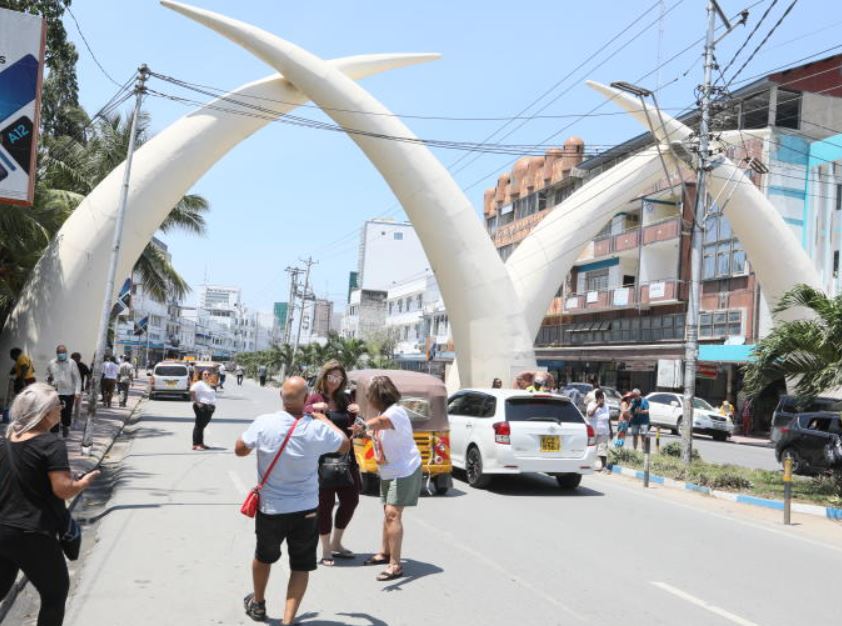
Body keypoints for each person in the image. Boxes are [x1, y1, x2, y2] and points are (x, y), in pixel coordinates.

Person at [236, 376, 349, 625]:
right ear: (307, 398)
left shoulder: (264, 423)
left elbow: (240, 449)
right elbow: (344, 445)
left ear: (280, 396)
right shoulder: (316, 428)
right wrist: (324, 419)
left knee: (263, 557)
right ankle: (288, 621)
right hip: (306, 510)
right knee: (300, 565)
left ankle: (258, 603)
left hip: (271, 509)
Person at [0, 383, 100, 626]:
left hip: (3, 528)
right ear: (45, 412)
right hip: (33, 532)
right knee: (55, 596)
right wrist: (83, 482)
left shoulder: (8, 438)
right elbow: (63, 489)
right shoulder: (50, 444)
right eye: (59, 405)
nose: (61, 409)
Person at [352, 375, 423, 582]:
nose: (368, 399)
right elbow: (380, 433)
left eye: (369, 396)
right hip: (389, 471)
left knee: (393, 514)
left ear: (378, 395)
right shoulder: (384, 413)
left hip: (404, 470)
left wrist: (365, 426)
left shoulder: (396, 412)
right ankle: (384, 553)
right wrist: (364, 434)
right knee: (387, 512)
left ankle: (395, 564)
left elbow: (381, 423)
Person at [304, 360, 361, 567]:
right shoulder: (315, 398)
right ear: (324, 377)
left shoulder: (345, 399)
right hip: (323, 460)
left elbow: (356, 425)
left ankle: (337, 542)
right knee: (325, 505)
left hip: (347, 458)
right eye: (331, 377)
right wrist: (312, 407)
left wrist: (357, 413)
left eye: (338, 377)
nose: (335, 381)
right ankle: (326, 548)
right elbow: (301, 411)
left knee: (351, 500)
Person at [45, 345, 81, 438]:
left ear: (66, 352)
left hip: (69, 392)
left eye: (63, 352)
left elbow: (77, 378)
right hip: (55, 392)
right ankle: (54, 432)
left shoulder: (72, 363)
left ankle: (66, 427)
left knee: (66, 413)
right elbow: (46, 375)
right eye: (59, 352)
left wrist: (77, 392)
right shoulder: (51, 363)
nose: (61, 354)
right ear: (56, 353)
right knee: (54, 412)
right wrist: (48, 379)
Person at [190, 370, 217, 451]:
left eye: (208, 374)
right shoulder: (199, 383)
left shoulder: (208, 384)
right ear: (201, 375)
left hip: (209, 407)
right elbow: (192, 391)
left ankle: (200, 443)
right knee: (199, 425)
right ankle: (196, 444)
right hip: (202, 406)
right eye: (205, 374)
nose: (207, 375)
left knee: (202, 426)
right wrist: (197, 402)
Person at [586, 389, 612, 471]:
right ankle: (589, 464)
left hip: (604, 431)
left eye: (603, 398)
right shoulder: (591, 404)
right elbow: (590, 414)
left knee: (603, 448)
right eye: (601, 398)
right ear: (597, 398)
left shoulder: (606, 406)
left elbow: (608, 419)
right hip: (594, 431)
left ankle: (604, 466)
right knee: (592, 448)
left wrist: (611, 430)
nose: (603, 400)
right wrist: (597, 406)